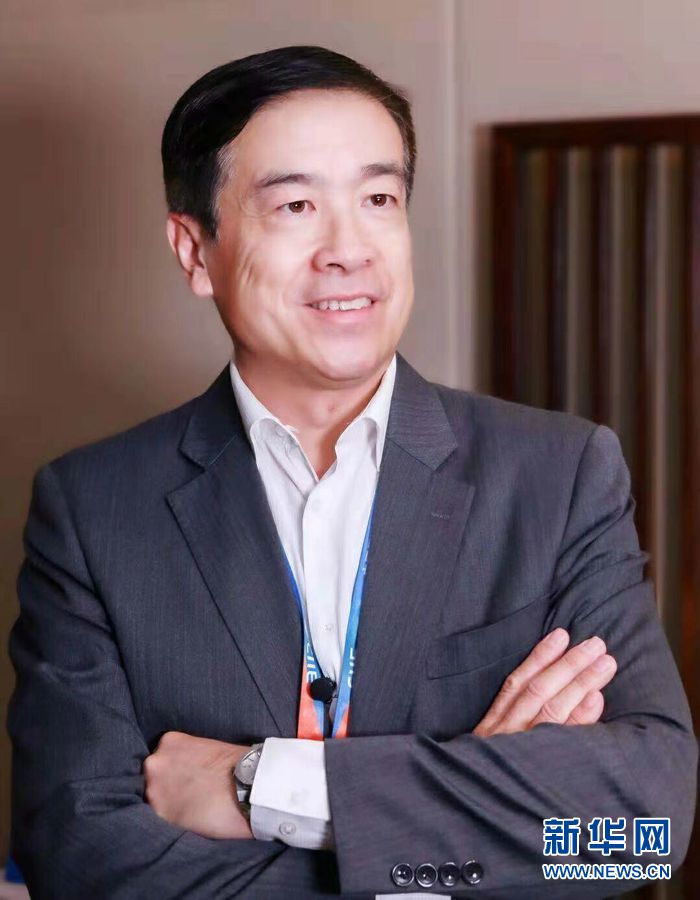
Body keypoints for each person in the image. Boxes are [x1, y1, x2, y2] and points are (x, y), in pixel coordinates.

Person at [7, 45, 696, 899]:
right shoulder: (93, 509)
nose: (348, 250)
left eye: (378, 200)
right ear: (194, 250)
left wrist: (266, 787)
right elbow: (79, 858)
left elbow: (638, 837)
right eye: (296, 205)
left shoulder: (558, 477)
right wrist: (461, 816)